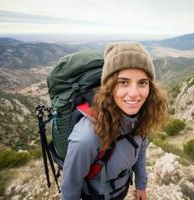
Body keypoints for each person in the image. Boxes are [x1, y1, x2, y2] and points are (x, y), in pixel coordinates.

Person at [61, 42, 168, 200]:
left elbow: (140, 150)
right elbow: (70, 188)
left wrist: (141, 185)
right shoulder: (86, 137)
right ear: (109, 87)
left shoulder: (141, 116)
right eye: (123, 82)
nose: (134, 94)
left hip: (121, 189)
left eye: (142, 83)